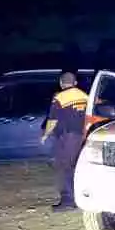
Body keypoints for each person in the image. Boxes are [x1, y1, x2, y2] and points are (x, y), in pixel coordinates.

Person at [41, 71, 89, 212]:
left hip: (66, 137)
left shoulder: (59, 97)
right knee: (76, 167)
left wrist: (45, 134)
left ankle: (68, 201)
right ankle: (81, 197)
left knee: (63, 167)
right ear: (75, 83)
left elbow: (53, 119)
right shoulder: (84, 95)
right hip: (81, 136)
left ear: (61, 83)